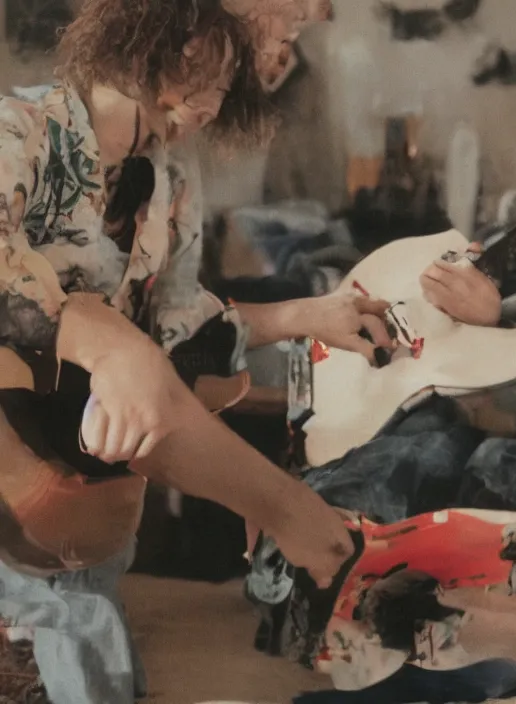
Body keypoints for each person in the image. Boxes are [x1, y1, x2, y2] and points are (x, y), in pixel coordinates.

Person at [0, 0, 382, 701]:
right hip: (14, 448)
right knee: (114, 345)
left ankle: (285, 509)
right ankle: (291, 512)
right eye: (202, 69)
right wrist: (107, 347)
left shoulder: (171, 183)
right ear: (151, 42)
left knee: (152, 372)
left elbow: (183, 335)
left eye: (223, 81)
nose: (212, 99)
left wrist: (307, 315)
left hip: (85, 450)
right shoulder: (23, 128)